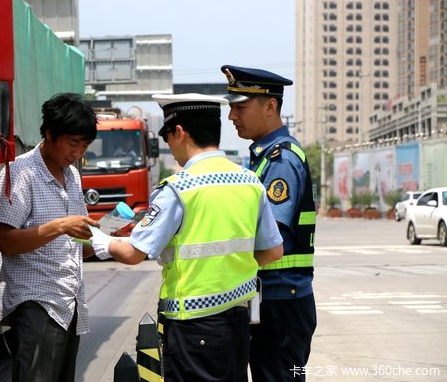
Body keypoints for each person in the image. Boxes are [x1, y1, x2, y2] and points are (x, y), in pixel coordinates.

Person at [90, 93, 284, 382]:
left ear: (179, 132)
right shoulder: (250, 182)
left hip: (192, 328)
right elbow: (273, 252)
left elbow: (133, 254)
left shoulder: (178, 189)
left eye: (168, 138)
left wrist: (102, 241)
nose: (171, 147)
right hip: (237, 322)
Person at [0, 93, 100, 382]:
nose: (77, 152)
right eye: (73, 143)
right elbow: (7, 242)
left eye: (84, 146)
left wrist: (104, 239)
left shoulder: (72, 176)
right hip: (37, 304)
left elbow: (78, 248)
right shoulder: (21, 172)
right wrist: (61, 225)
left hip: (70, 302)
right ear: (49, 133)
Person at [221, 65, 317, 382]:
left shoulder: (281, 160)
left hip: (282, 302)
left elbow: (272, 240)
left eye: (240, 107)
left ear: (270, 106)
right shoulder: (264, 157)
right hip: (272, 298)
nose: (232, 116)